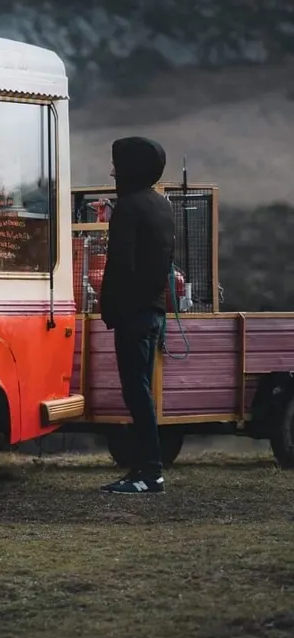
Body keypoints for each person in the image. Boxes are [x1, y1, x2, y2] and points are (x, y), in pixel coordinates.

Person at [98, 136, 175, 494]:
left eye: (118, 164)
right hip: (155, 311)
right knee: (142, 391)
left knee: (136, 393)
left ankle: (150, 472)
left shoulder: (128, 208)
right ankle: (146, 468)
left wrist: (109, 306)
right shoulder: (163, 207)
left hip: (133, 314)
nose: (113, 171)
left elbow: (120, 267)